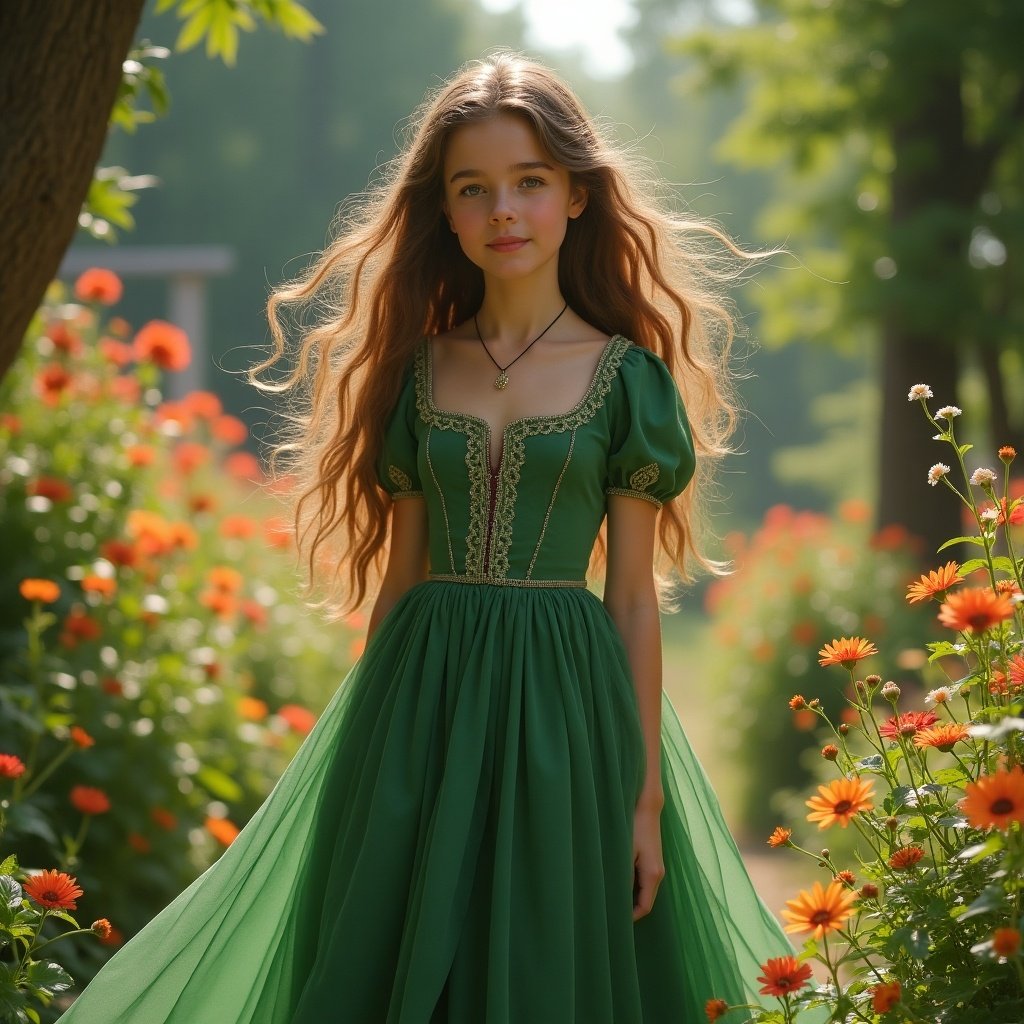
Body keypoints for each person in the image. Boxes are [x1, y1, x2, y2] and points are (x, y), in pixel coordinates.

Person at [60, 52, 797, 1023]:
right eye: (474, 188)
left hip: (563, 709)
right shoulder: (415, 372)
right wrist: (365, 756)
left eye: (530, 181)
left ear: (575, 195)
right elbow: (402, 578)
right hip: (418, 700)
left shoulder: (628, 381)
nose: (505, 209)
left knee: (536, 955)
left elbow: (627, 596)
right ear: (444, 213)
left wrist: (642, 801)